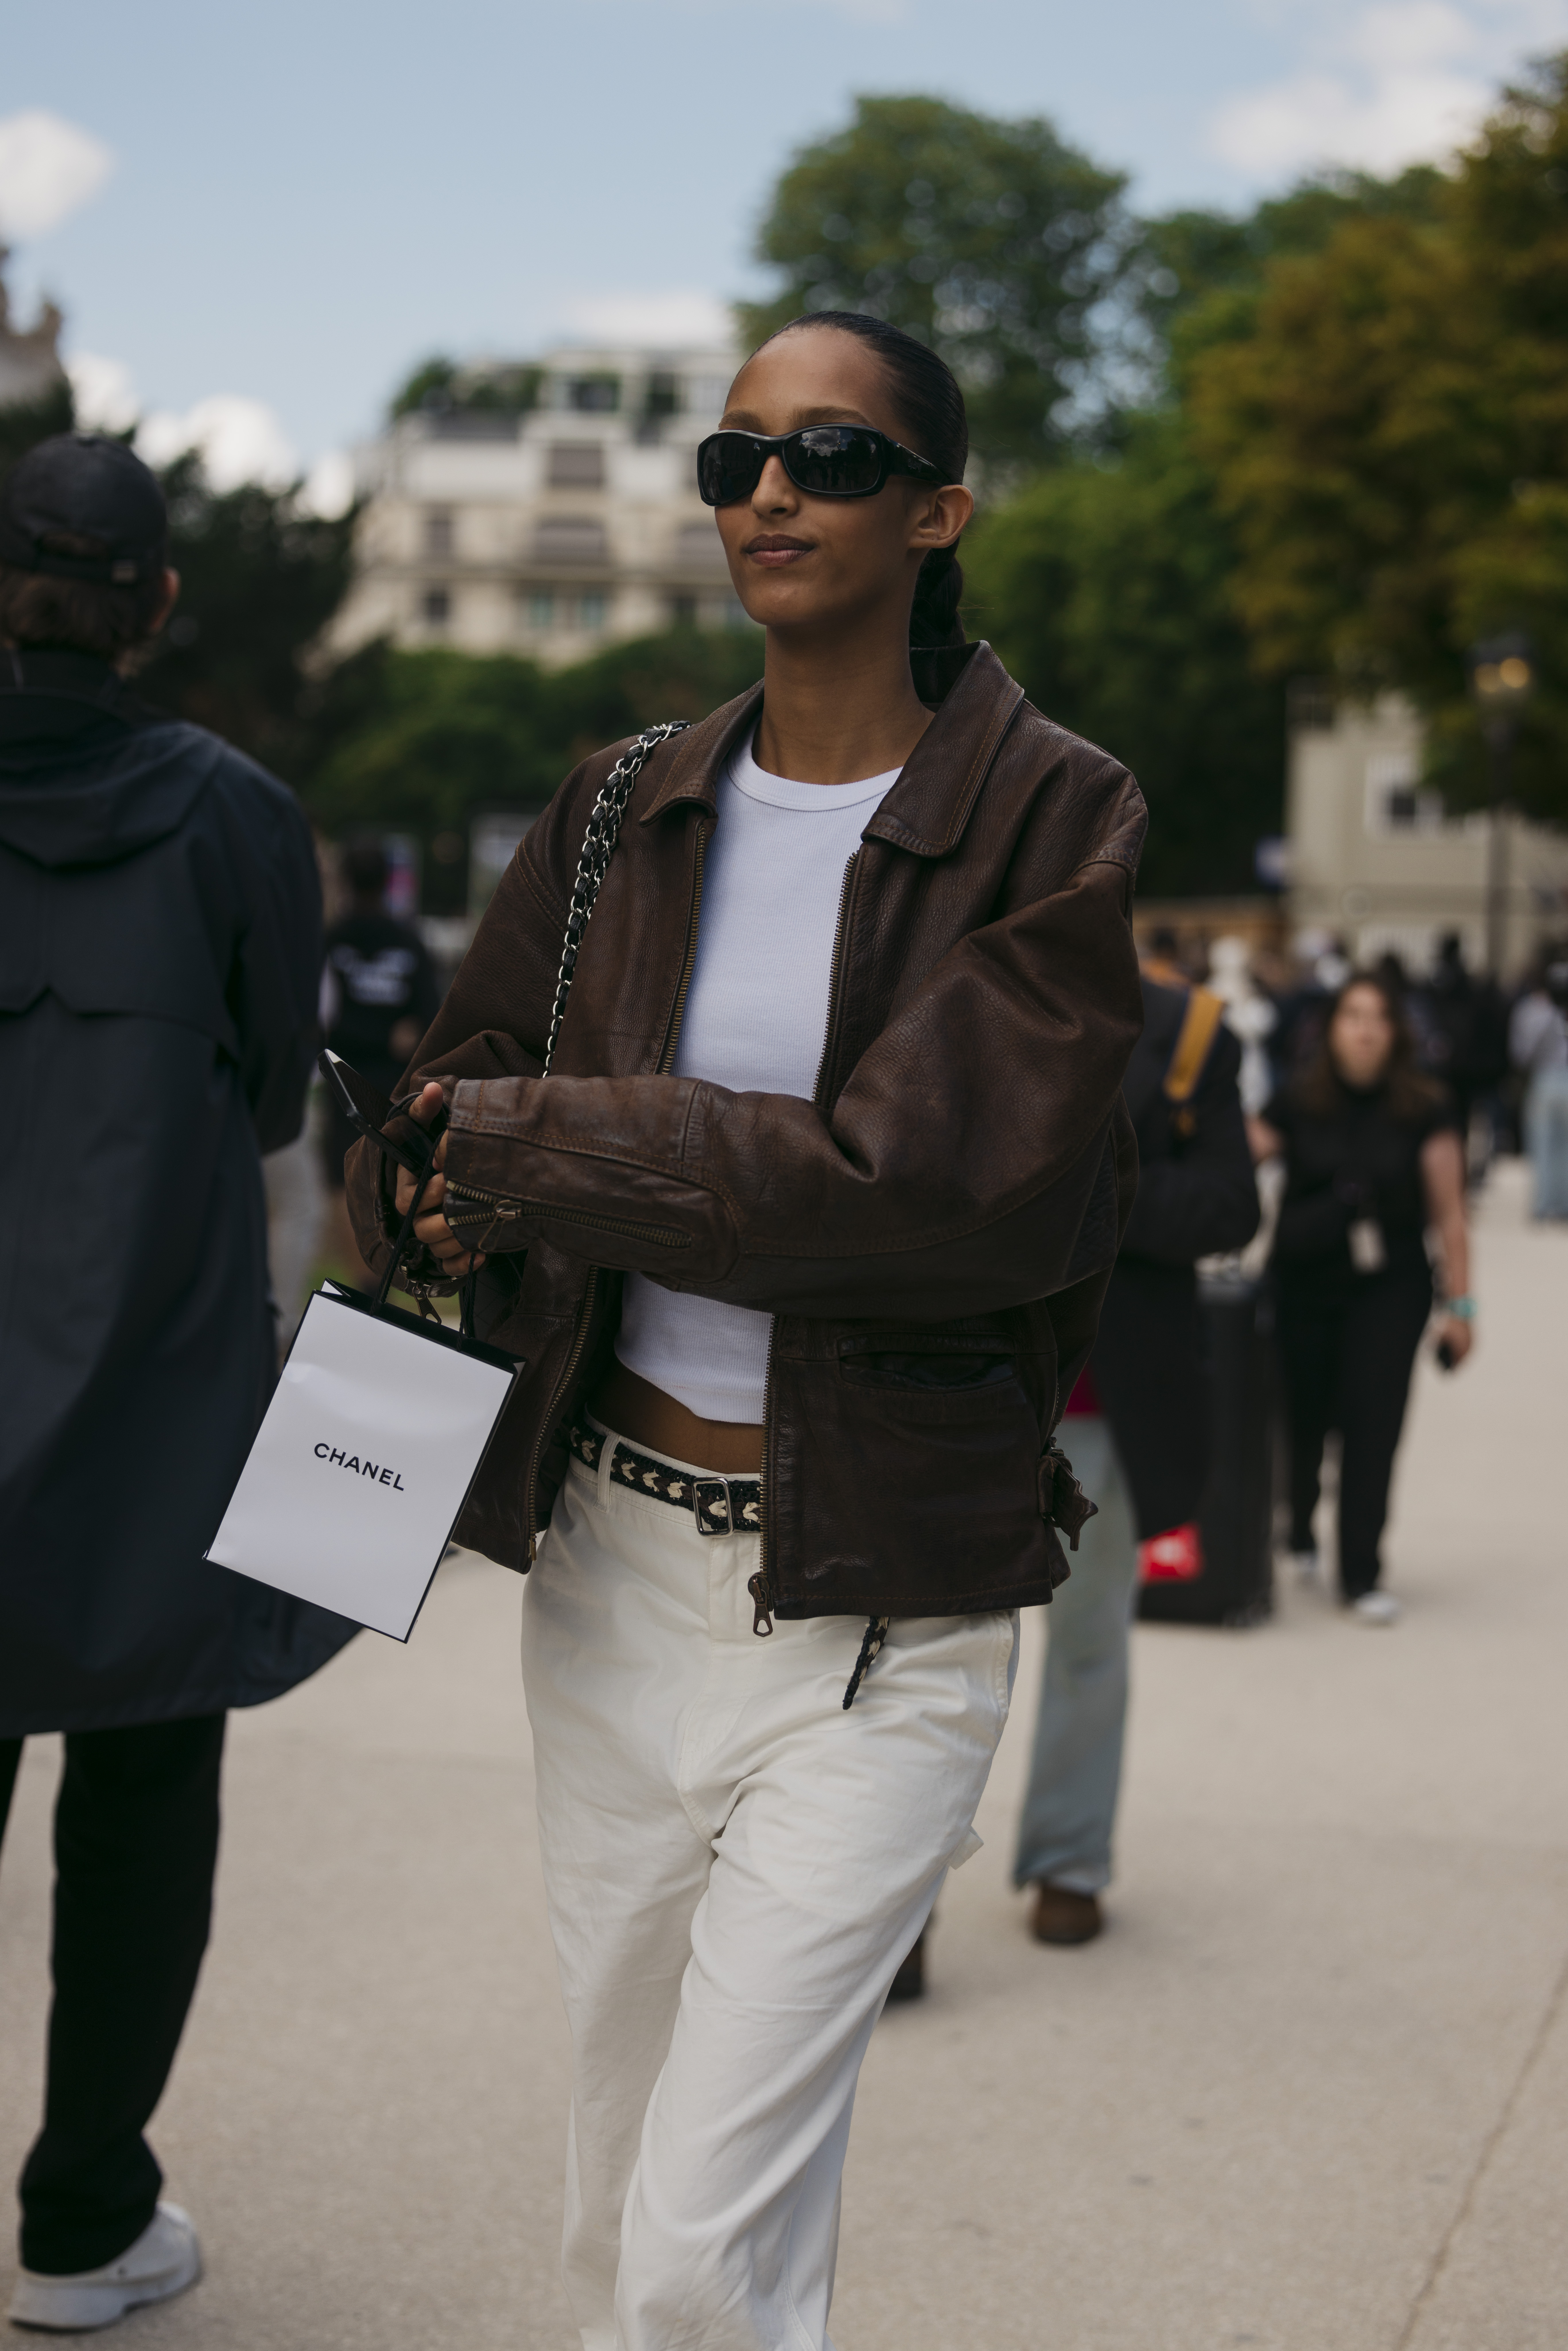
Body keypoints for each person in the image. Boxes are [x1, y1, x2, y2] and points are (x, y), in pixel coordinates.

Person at [346, 312, 1144, 2350]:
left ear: (941, 510)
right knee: (634, 2221)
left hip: (876, 1610)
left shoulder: (1053, 816)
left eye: (833, 457)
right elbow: (457, 1095)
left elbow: (935, 1193)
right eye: (735, 462)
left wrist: (546, 1148)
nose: (770, 492)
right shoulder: (620, 799)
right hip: (608, 1585)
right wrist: (431, 1171)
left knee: (702, 2253)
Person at [0, 432, 355, 2331]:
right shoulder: (232, 812)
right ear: (154, 606)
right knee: (143, 1818)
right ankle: (80, 2221)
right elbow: (285, 1092)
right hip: (152, 1398)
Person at [1013, 971, 1259, 1946]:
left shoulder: (1192, 1033)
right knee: (927, 1654)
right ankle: (898, 1900)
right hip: (964, 1388)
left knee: (1087, 1640)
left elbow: (1233, 1205)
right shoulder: (969, 979)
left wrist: (1098, 1190)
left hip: (1108, 1400)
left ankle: (1067, 1857)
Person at [1251, 973, 1472, 1624]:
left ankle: (1360, 1570)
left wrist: (1460, 1311)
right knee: (1303, 1417)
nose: (1365, 1029)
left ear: (1395, 1031)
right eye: (1352, 1015)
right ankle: (1297, 1529)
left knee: (1373, 1425)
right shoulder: (1297, 1100)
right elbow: (1237, 1156)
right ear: (1332, 1027)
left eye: (1378, 1017)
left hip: (1390, 1290)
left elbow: (1450, 1216)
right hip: (1304, 1283)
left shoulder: (1424, 1108)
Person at [319, 834, 441, 1285]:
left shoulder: (331, 940)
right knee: (389, 1180)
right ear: (389, 880)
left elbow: (318, 1018)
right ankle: (391, 1276)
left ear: (347, 880)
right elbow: (431, 1015)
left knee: (341, 1179)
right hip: (395, 1086)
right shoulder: (407, 940)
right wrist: (395, 1033)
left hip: (342, 1083)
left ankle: (360, 1278)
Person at [1509, 955, 1568, 1219]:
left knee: (1543, 1145)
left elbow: (1520, 1053)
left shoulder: (1530, 1010)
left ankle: (1545, 1204)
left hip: (1544, 1080)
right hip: (1553, 1078)